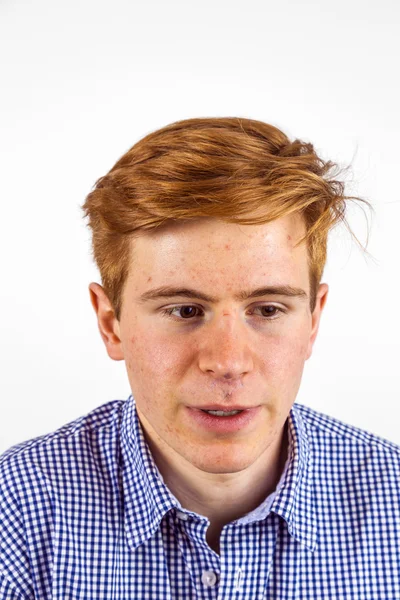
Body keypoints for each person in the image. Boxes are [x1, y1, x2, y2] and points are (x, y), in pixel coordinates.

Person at [1, 117, 399, 600]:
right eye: (185, 310)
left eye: (268, 309)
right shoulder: (16, 512)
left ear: (312, 321)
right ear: (111, 323)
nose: (228, 362)